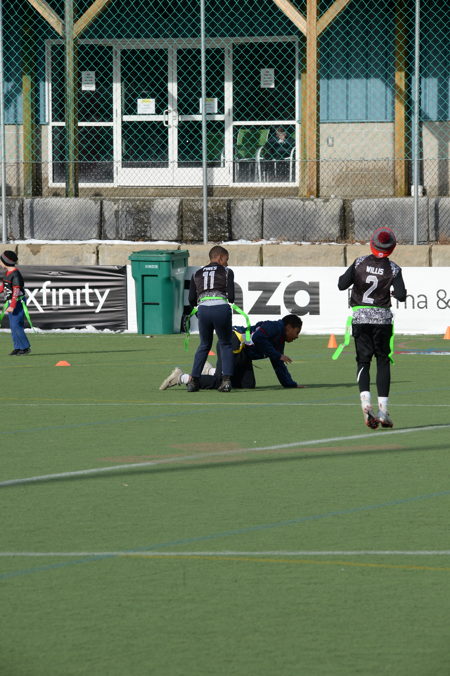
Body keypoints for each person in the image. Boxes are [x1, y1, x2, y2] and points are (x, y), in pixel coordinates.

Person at [337, 228, 406, 429]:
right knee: (383, 361)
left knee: (363, 361)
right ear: (392, 248)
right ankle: (383, 411)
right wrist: (394, 293)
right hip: (382, 320)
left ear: (372, 244)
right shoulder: (394, 268)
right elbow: (401, 295)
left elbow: (341, 284)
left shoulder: (359, 262)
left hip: (360, 318)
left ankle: (366, 404)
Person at [160, 314, 304, 391]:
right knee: (221, 382)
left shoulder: (280, 340)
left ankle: (210, 371)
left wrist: (290, 384)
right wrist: (278, 355)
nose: (297, 336)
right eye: (296, 332)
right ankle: (182, 377)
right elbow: (258, 338)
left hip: (244, 354)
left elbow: (278, 364)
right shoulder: (275, 326)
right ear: (289, 327)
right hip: (232, 342)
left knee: (248, 385)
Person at [185, 245, 235, 393]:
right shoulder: (227, 271)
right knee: (225, 344)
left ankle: (194, 381)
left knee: (204, 345)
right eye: (226, 259)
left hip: (203, 310)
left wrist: (201, 309)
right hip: (221, 309)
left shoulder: (196, 273)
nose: (227, 263)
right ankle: (226, 381)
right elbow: (231, 297)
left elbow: (191, 299)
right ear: (220, 258)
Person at [0, 250, 31, 355]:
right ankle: (17, 347)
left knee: (16, 325)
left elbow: (16, 291)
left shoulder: (15, 275)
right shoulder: (7, 274)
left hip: (17, 303)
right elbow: (4, 287)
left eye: (1, 260)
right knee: (13, 326)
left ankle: (25, 347)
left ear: (6, 262)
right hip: (11, 302)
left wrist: (12, 306)